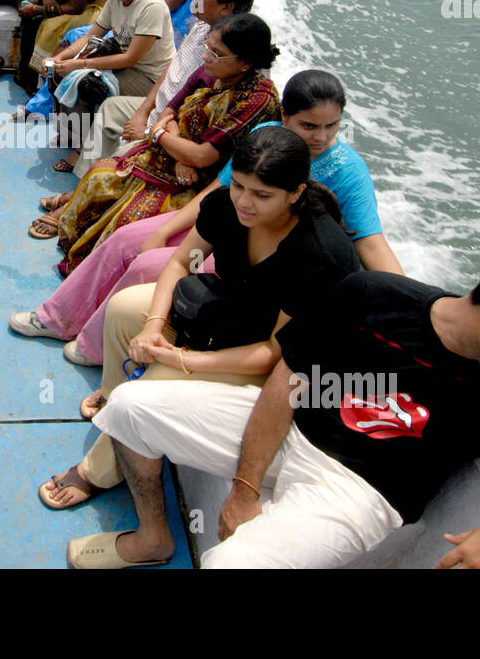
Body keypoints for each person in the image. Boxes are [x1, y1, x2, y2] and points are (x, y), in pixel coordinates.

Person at [71, 251, 480, 569]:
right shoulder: (372, 296)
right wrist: (244, 488)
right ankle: (154, 536)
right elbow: (288, 378)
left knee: (230, 565)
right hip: (287, 431)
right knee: (130, 406)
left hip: (359, 494)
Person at [38, 128, 361, 514]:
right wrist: (153, 326)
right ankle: (111, 393)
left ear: (296, 193)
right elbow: (179, 262)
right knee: (124, 309)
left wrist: (181, 358)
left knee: (154, 383)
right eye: (239, 185)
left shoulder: (318, 254)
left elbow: (273, 354)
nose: (245, 202)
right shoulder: (226, 206)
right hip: (233, 316)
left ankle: (97, 471)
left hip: (281, 366)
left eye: (262, 195)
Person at [13, 69, 402, 366]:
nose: (320, 137)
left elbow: (370, 243)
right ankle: (58, 317)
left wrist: (409, 307)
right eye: (309, 126)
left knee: (148, 266)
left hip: (259, 257)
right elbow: (221, 191)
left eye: (331, 126)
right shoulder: (265, 138)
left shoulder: (347, 170)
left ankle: (96, 344)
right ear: (284, 116)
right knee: (127, 239)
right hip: (231, 227)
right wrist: (163, 230)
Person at [39, 13, 281, 274]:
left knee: (129, 218)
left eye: (216, 53)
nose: (206, 56)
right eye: (208, 47)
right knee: (99, 175)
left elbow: (204, 157)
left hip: (196, 181)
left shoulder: (257, 100)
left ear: (245, 63)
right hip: (172, 157)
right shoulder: (215, 71)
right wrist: (176, 149)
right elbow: (171, 109)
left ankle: (93, 270)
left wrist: (160, 135)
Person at [72, 0, 259, 178]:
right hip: (160, 109)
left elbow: (195, 119)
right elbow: (172, 70)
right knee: (110, 109)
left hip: (173, 128)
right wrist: (143, 111)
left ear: (226, 7)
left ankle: (96, 183)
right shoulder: (200, 26)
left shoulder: (230, 59)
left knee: (122, 158)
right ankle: (82, 182)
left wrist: (152, 130)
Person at [37, 0, 176, 172]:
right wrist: (58, 58)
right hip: (127, 67)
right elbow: (91, 36)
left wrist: (79, 63)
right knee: (62, 74)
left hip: (150, 78)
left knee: (88, 85)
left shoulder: (151, 7)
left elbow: (130, 59)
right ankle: (73, 133)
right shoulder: (115, 1)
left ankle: (82, 149)